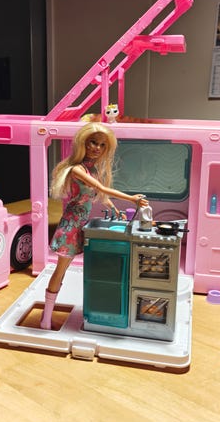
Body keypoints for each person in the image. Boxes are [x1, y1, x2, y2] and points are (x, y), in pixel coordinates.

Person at [40, 123, 149, 329]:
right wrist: (131, 198)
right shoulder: (77, 169)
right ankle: (46, 318)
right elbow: (101, 188)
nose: (97, 148)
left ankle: (47, 316)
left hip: (79, 225)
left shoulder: (92, 169)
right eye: (93, 142)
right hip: (71, 226)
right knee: (60, 271)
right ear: (83, 143)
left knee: (63, 270)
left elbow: (99, 194)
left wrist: (114, 208)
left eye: (101, 145)